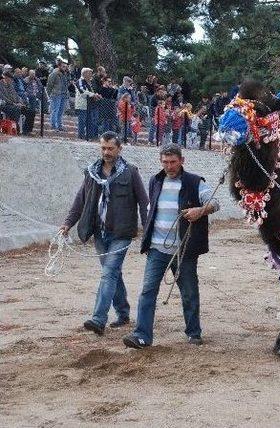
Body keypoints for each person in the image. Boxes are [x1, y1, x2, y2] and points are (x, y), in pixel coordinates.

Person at [122, 144, 220, 349]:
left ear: (182, 161)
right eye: (165, 162)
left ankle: (194, 333)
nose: (169, 166)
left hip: (184, 249)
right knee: (148, 291)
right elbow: (151, 210)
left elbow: (215, 203)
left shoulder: (195, 182)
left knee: (189, 291)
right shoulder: (155, 181)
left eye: (173, 162)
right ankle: (142, 336)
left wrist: (200, 211)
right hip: (157, 248)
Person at [60, 131, 149, 335]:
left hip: (122, 233)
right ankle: (123, 312)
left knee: (108, 273)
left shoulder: (131, 172)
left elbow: (144, 203)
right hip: (100, 233)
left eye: (110, 148)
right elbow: (80, 200)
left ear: (119, 149)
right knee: (113, 273)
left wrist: (147, 230)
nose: (106, 152)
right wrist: (68, 224)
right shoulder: (92, 172)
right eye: (103, 148)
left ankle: (98, 319)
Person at [0, 70, 36, 134]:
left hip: (15, 104)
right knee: (16, 110)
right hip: (5, 105)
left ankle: (27, 131)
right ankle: (16, 129)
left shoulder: (10, 85)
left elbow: (16, 95)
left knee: (31, 111)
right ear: (6, 77)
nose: (12, 81)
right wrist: (14, 103)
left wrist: (20, 102)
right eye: (11, 79)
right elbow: (3, 97)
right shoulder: (1, 85)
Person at [75, 67, 101, 140]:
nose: (91, 75)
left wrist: (96, 95)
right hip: (82, 105)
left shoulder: (88, 83)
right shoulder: (80, 81)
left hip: (89, 105)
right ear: (84, 73)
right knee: (82, 121)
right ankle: (81, 136)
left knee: (89, 121)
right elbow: (82, 90)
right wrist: (93, 95)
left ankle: (89, 137)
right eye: (89, 73)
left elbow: (91, 92)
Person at [46, 59, 70, 131]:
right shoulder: (54, 73)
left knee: (61, 111)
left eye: (66, 67)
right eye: (63, 66)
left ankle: (59, 126)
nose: (65, 68)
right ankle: (53, 126)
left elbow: (66, 84)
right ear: (59, 66)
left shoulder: (65, 74)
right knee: (55, 110)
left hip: (63, 94)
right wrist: (50, 94)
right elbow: (49, 85)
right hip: (56, 94)